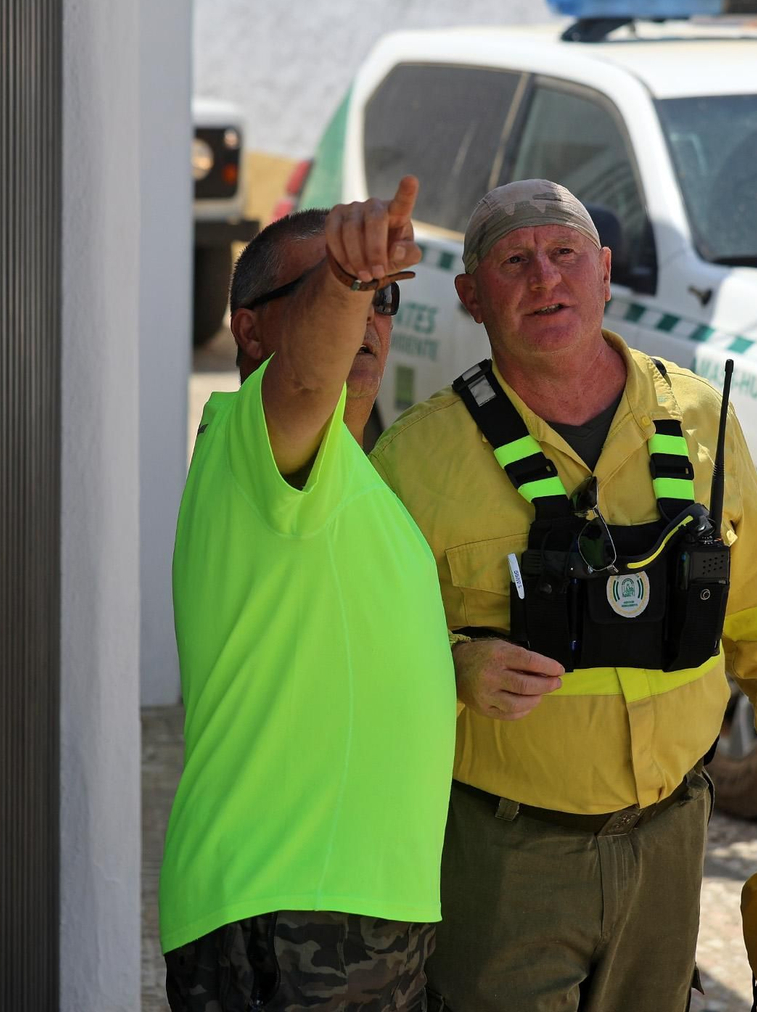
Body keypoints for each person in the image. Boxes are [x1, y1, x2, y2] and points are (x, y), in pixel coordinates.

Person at [370, 179, 757, 1012]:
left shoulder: (702, 420)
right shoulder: (414, 462)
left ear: (604, 272)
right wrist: (454, 666)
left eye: (565, 253)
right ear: (470, 296)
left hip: (670, 838)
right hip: (504, 851)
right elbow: (362, 653)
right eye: (514, 262)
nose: (546, 279)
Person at [161, 178, 457, 1011]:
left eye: (385, 297)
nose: (370, 317)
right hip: (293, 901)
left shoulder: (354, 472)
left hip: (342, 904)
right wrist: (351, 276)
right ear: (249, 327)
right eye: (327, 287)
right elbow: (302, 384)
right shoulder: (258, 432)